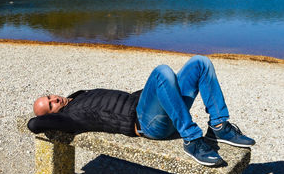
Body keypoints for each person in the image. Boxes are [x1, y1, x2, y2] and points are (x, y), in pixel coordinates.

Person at [28, 55, 255, 166]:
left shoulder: (79, 95)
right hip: (147, 124)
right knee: (162, 71)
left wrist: (158, 92)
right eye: (50, 105)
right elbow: (34, 124)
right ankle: (192, 140)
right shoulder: (71, 118)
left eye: (50, 97)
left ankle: (218, 126)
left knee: (200, 63)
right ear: (54, 115)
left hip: (152, 109)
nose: (54, 99)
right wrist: (49, 118)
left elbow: (125, 98)